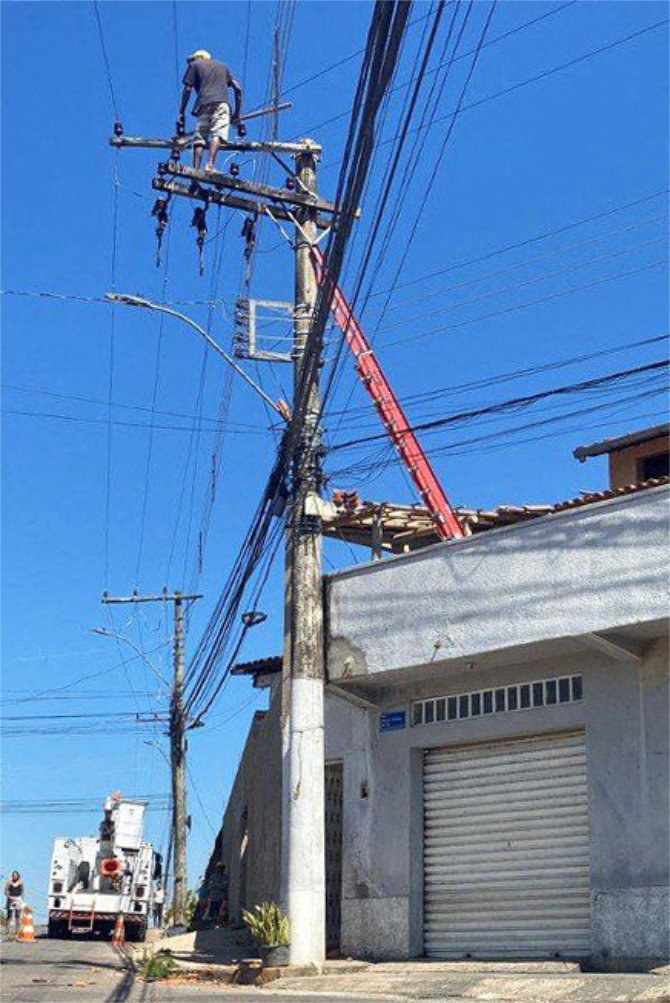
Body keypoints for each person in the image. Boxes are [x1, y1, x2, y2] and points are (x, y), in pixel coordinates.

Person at [176, 50, 243, 173]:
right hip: (221, 105)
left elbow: (187, 89)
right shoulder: (223, 67)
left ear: (198, 58)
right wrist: (237, 113)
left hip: (203, 105)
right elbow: (238, 89)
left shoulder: (195, 65)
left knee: (200, 137)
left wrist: (181, 111)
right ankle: (210, 165)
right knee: (217, 133)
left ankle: (196, 170)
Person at [4, 871, 24, 936]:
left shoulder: (21, 882)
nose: (14, 877)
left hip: (18, 899)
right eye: (13, 875)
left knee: (17, 916)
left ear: (18, 876)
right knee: (9, 916)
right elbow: (5, 891)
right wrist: (9, 897)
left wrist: (21, 900)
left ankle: (17, 931)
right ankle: (7, 930)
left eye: (15, 875)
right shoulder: (9, 882)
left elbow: (22, 891)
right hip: (10, 899)